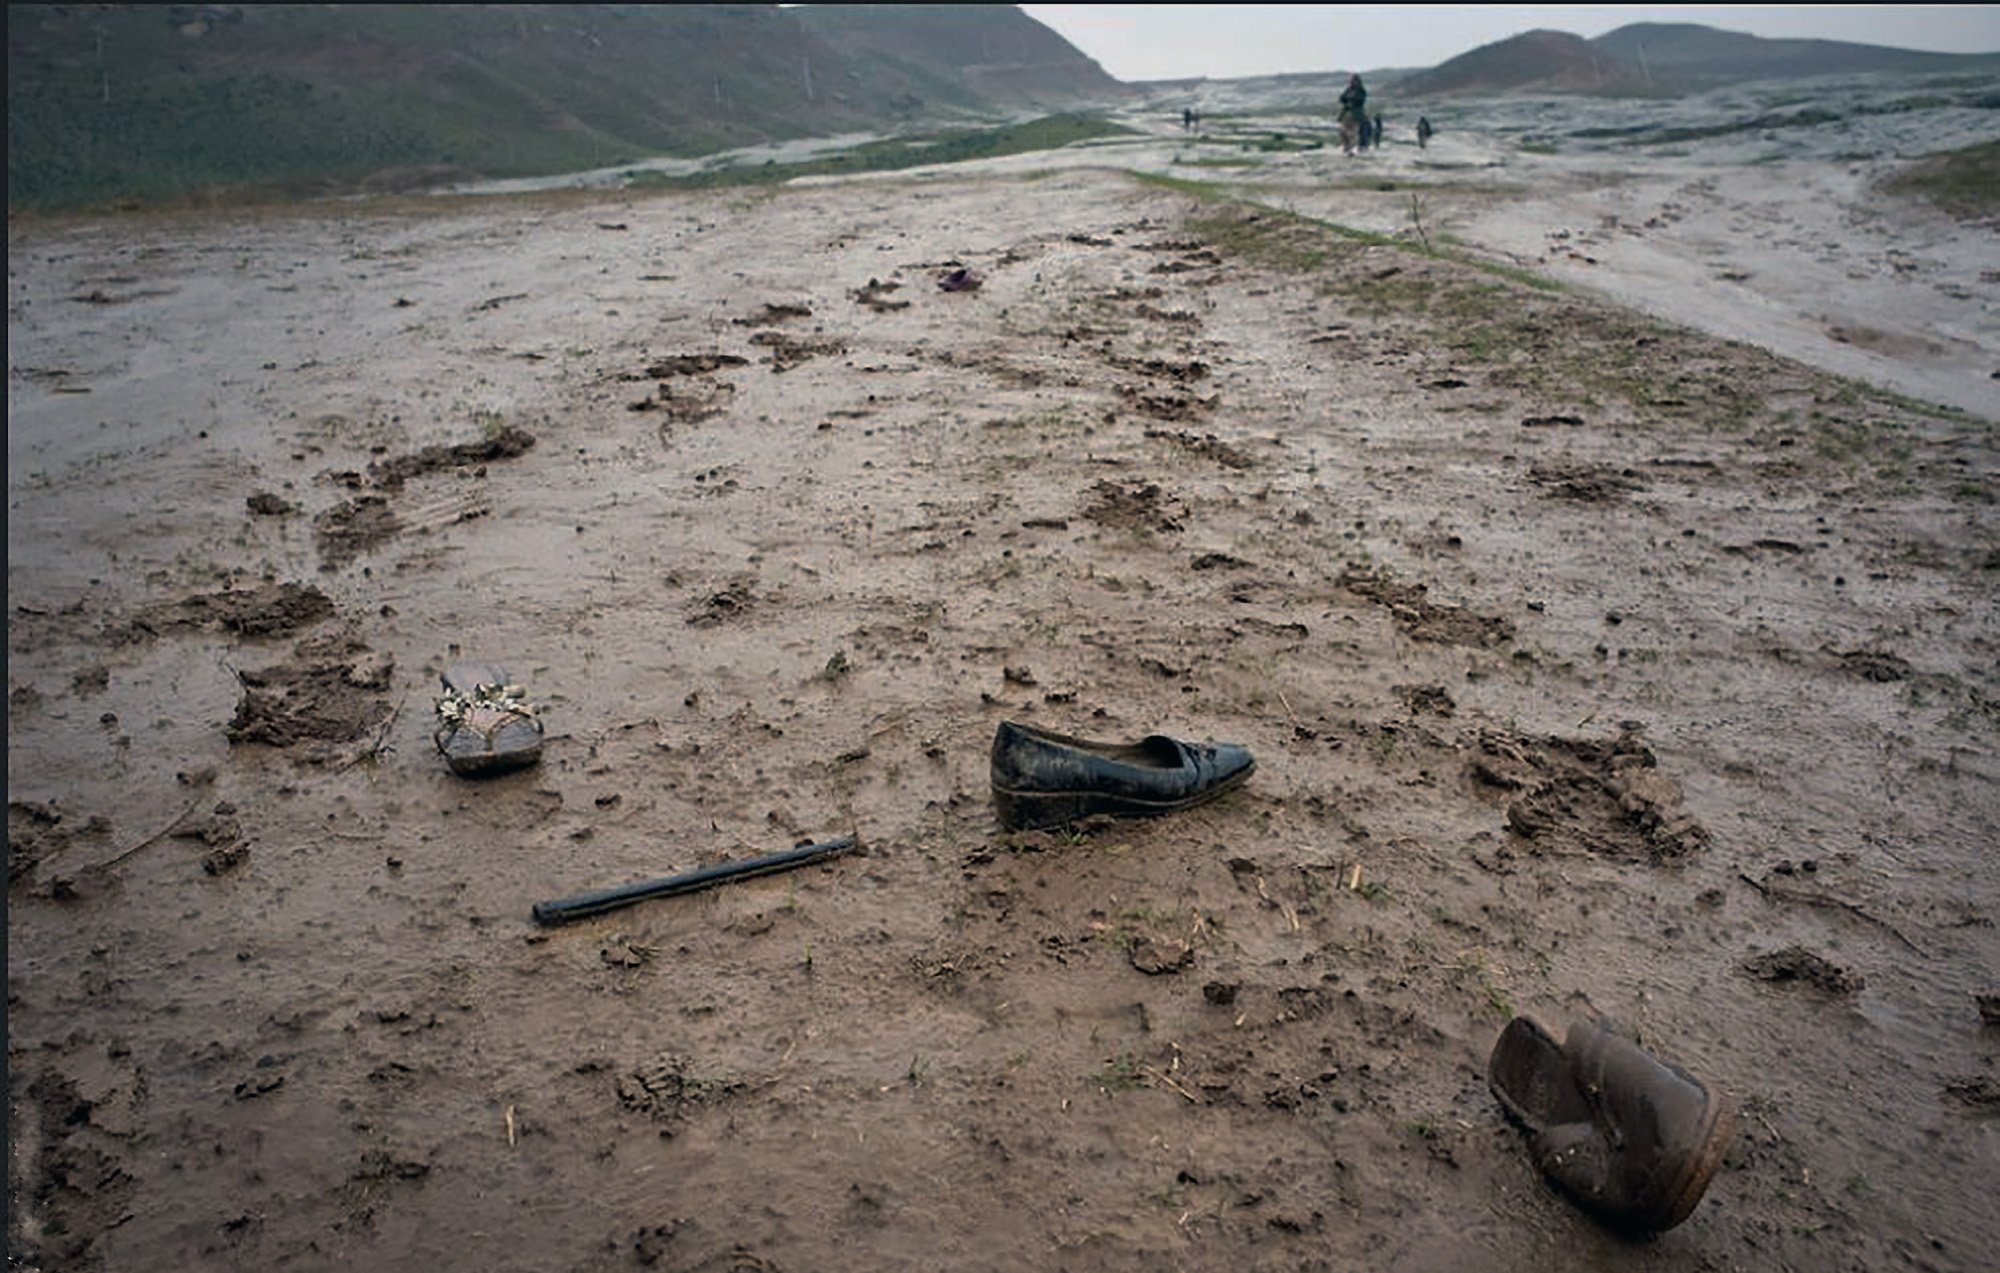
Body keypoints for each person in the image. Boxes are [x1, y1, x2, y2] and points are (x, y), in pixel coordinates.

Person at [1338, 73, 1367, 155]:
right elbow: (1342, 98)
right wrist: (1349, 100)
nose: (1351, 82)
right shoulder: (1349, 89)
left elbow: (1358, 100)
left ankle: (1351, 149)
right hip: (1346, 112)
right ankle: (1346, 147)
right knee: (1342, 131)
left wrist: (1350, 99)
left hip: (1356, 114)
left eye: (1353, 80)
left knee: (1352, 133)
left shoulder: (1361, 90)